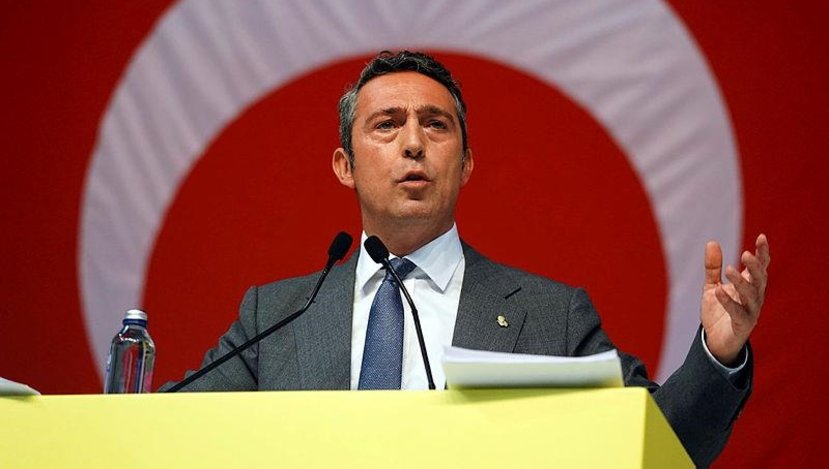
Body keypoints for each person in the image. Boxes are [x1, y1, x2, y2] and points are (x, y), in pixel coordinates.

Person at [162, 51, 770, 467]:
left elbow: (662, 444)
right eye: (386, 125)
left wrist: (717, 355)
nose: (413, 143)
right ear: (345, 166)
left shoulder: (550, 316)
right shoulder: (275, 317)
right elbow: (168, 436)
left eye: (436, 125)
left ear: (467, 163)